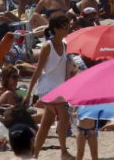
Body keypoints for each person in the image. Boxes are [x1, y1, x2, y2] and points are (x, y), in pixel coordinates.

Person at [25, 15, 73, 159]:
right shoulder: (47, 46)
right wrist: (29, 92)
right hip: (46, 89)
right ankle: (64, 152)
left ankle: (35, 155)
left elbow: (65, 71)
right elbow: (38, 70)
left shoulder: (65, 45)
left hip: (59, 90)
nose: (67, 29)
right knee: (64, 117)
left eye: (68, 26)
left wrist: (67, 88)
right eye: (64, 26)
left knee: (46, 123)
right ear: (55, 29)